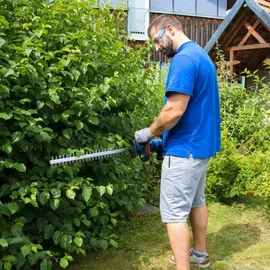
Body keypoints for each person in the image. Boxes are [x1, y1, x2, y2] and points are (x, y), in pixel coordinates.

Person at [135, 15, 221, 270]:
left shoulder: (183, 60)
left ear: (169, 29)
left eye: (156, 40)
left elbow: (173, 111)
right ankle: (199, 254)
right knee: (197, 202)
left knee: (174, 216)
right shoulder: (201, 56)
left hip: (184, 151)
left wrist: (147, 134)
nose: (156, 48)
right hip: (200, 149)